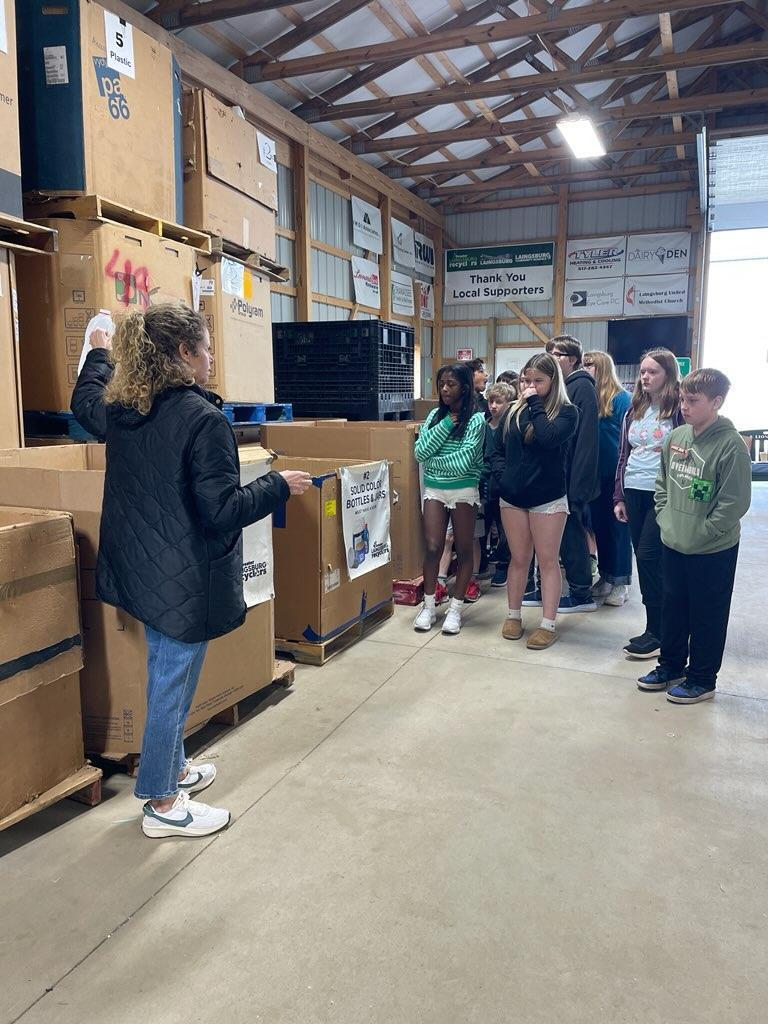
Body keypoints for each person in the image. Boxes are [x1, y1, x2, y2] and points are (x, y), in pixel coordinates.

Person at [71, 305, 311, 839]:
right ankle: (160, 801)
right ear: (183, 354)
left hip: (140, 567)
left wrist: (100, 351)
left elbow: (85, 404)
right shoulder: (203, 421)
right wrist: (278, 485)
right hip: (181, 576)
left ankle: (172, 767)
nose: (210, 357)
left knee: (164, 672)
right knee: (171, 684)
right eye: (205, 347)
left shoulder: (125, 406)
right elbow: (222, 511)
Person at [638, 369, 751, 703]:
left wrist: (707, 531)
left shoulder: (731, 446)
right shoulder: (676, 438)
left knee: (707, 614)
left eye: (693, 401)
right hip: (674, 540)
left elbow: (734, 502)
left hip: (712, 548)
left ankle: (702, 678)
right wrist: (665, 517)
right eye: (683, 399)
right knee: (673, 608)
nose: (684, 406)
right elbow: (662, 485)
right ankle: (670, 665)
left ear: (716, 402)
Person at [491, 354, 578, 650]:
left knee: (547, 560)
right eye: (526, 380)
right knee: (518, 558)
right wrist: (503, 478)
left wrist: (535, 403)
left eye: (538, 381)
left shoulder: (566, 412)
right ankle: (513, 614)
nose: (530, 386)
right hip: (513, 497)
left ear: (553, 382)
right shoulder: (512, 412)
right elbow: (499, 450)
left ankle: (547, 623)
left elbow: (548, 437)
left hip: (548, 498)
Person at [614, 348, 682, 659]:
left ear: (668, 375)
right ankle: (654, 627)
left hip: (663, 493)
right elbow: (622, 457)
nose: (645, 377)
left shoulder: (678, 410)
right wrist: (619, 496)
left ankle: (665, 630)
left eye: (652, 371)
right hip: (634, 490)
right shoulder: (634, 409)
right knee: (645, 562)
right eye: (643, 371)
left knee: (650, 556)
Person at [413, 363, 486, 635]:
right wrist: (445, 424)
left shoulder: (476, 419)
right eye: (441, 383)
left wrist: (435, 462)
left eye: (451, 384)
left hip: (464, 490)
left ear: (465, 388)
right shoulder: (435, 416)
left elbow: (464, 461)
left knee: (465, 550)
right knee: (433, 548)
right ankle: (429, 607)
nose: (444, 389)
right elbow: (420, 453)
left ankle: (455, 610)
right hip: (434, 489)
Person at [547, 335, 600, 613]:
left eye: (557, 354)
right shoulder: (564, 387)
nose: (552, 358)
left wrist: (578, 486)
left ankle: (581, 593)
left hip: (573, 479)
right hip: (560, 476)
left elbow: (586, 442)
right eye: (549, 353)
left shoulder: (582, 388)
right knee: (561, 537)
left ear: (572, 359)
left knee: (572, 535)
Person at [583, 351, 633, 606]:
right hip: (594, 475)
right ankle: (606, 576)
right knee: (599, 527)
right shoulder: (587, 396)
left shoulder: (622, 398)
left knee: (618, 529)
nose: (586, 368)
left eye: (590, 364)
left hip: (615, 475)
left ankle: (621, 582)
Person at [479, 383, 517, 588]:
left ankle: (503, 565)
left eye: (498, 402)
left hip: (505, 486)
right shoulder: (484, 426)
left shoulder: (512, 426)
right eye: (490, 401)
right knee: (482, 526)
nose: (493, 406)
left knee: (505, 531)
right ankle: (483, 562)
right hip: (485, 485)